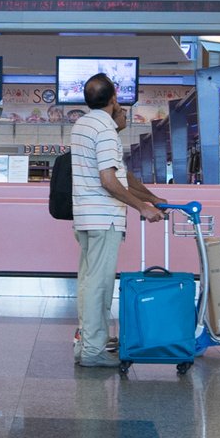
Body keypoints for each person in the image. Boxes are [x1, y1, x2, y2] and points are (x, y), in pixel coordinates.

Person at [70, 72, 166, 368]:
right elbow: (109, 181)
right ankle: (93, 351)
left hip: (85, 218)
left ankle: (87, 343)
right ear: (114, 99)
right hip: (105, 218)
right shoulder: (106, 130)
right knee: (98, 286)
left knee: (88, 283)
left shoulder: (82, 124)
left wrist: (153, 198)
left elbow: (123, 175)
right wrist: (143, 208)